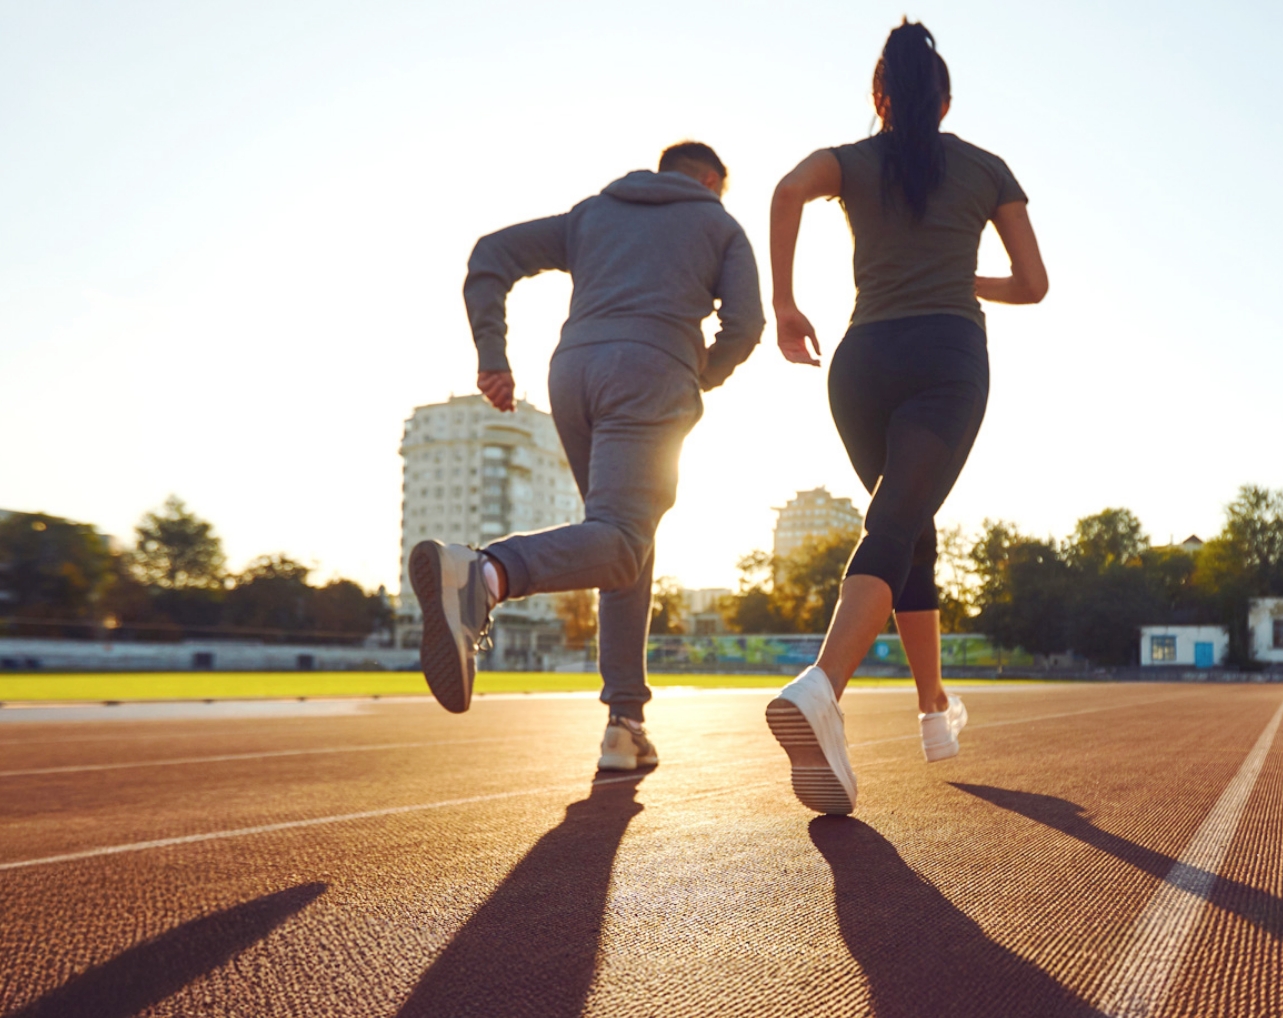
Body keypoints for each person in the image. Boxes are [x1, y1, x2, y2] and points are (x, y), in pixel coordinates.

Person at [764, 20, 1048, 815]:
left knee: (907, 525)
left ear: (879, 96)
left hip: (862, 364)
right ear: (946, 100)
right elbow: (1033, 284)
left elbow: (785, 190)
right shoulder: (987, 169)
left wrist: (785, 306)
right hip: (944, 357)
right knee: (895, 525)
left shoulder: (850, 161)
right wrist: (961, 276)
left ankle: (932, 708)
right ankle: (823, 687)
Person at [410, 141, 763, 772]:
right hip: (651, 371)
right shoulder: (720, 224)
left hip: (573, 373)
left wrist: (492, 354)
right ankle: (484, 574)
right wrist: (700, 372)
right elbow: (745, 324)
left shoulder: (593, 213)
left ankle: (625, 723)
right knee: (621, 541)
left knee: (622, 544)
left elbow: (491, 254)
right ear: (711, 180)